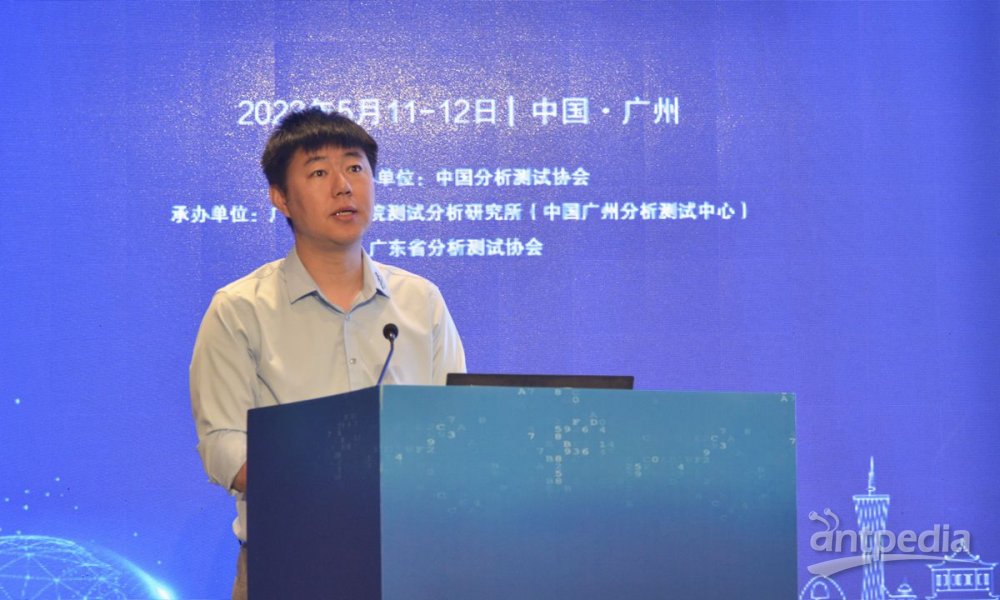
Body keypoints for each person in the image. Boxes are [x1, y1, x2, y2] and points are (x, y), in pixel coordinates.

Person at [189, 108, 466, 599]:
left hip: (411, 562)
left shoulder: (421, 301)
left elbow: (455, 424)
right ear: (280, 197)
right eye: (319, 173)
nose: (343, 186)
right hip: (291, 563)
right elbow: (223, 445)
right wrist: (328, 476)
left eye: (356, 168)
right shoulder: (240, 309)